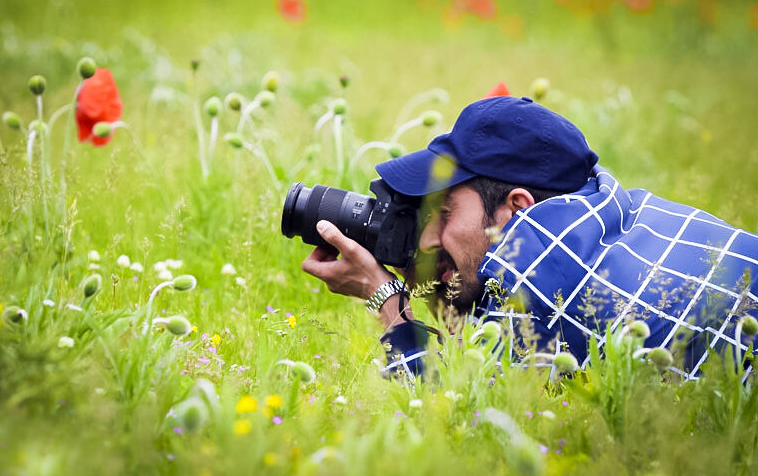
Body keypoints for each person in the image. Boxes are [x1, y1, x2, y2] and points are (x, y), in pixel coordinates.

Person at [301, 95, 758, 381]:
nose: (426, 240)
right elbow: (475, 335)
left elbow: (456, 416)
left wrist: (384, 297)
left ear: (519, 207)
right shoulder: (609, 204)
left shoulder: (542, 276)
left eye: (443, 213)